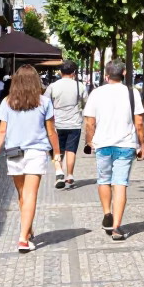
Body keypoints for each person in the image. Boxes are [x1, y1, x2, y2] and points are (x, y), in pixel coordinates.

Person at [0, 65, 62, 253]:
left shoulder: (7, 102)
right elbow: (51, 131)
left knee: (22, 194)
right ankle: (24, 236)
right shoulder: (44, 102)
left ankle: (25, 233)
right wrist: (57, 153)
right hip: (36, 151)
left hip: (14, 151)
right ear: (36, 81)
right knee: (29, 195)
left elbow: (2, 130)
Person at [83, 61, 144, 241]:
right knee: (120, 183)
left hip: (102, 144)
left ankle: (107, 213)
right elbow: (139, 122)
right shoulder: (132, 93)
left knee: (104, 179)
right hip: (126, 145)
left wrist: (90, 141)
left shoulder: (96, 93)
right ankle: (117, 227)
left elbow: (89, 122)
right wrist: (142, 144)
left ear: (106, 75)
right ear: (124, 73)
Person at [47, 60, 88, 190]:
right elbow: (86, 102)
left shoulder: (53, 86)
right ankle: (70, 176)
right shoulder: (80, 86)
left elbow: (45, 103)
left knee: (57, 149)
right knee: (71, 150)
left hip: (57, 124)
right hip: (74, 123)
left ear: (60, 72)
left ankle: (59, 172)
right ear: (74, 73)